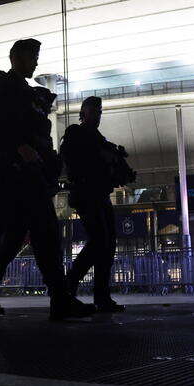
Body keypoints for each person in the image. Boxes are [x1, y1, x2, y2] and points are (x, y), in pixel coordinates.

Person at [0, 38, 96, 320]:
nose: (36, 62)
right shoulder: (1, 82)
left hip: (33, 175)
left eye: (37, 56)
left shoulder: (33, 94)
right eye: (31, 56)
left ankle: (58, 298)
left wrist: (49, 164)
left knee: (40, 233)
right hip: (8, 170)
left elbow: (40, 136)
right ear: (15, 57)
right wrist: (16, 146)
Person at [60, 96, 135, 312]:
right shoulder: (76, 133)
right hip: (85, 194)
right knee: (99, 241)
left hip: (100, 195)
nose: (97, 115)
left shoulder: (102, 141)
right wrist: (102, 160)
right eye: (93, 111)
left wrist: (119, 171)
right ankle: (69, 286)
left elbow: (111, 168)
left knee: (108, 243)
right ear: (83, 113)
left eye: (100, 111)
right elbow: (74, 161)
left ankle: (101, 297)